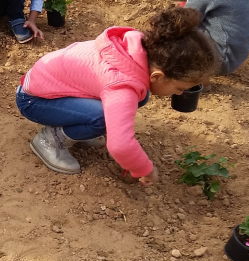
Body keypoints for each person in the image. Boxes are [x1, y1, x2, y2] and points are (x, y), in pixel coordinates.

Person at [15, 6, 218, 185]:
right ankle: (50, 139)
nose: (180, 93)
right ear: (157, 76)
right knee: (103, 118)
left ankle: (74, 124)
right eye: (179, 88)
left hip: (51, 86)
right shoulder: (121, 83)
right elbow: (120, 146)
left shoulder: (135, 49)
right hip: (33, 100)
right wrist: (144, 170)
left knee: (140, 97)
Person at [178, 0, 249, 90]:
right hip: (236, 54)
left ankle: (196, 79)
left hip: (222, 59)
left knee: (177, 35)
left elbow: (183, 21)